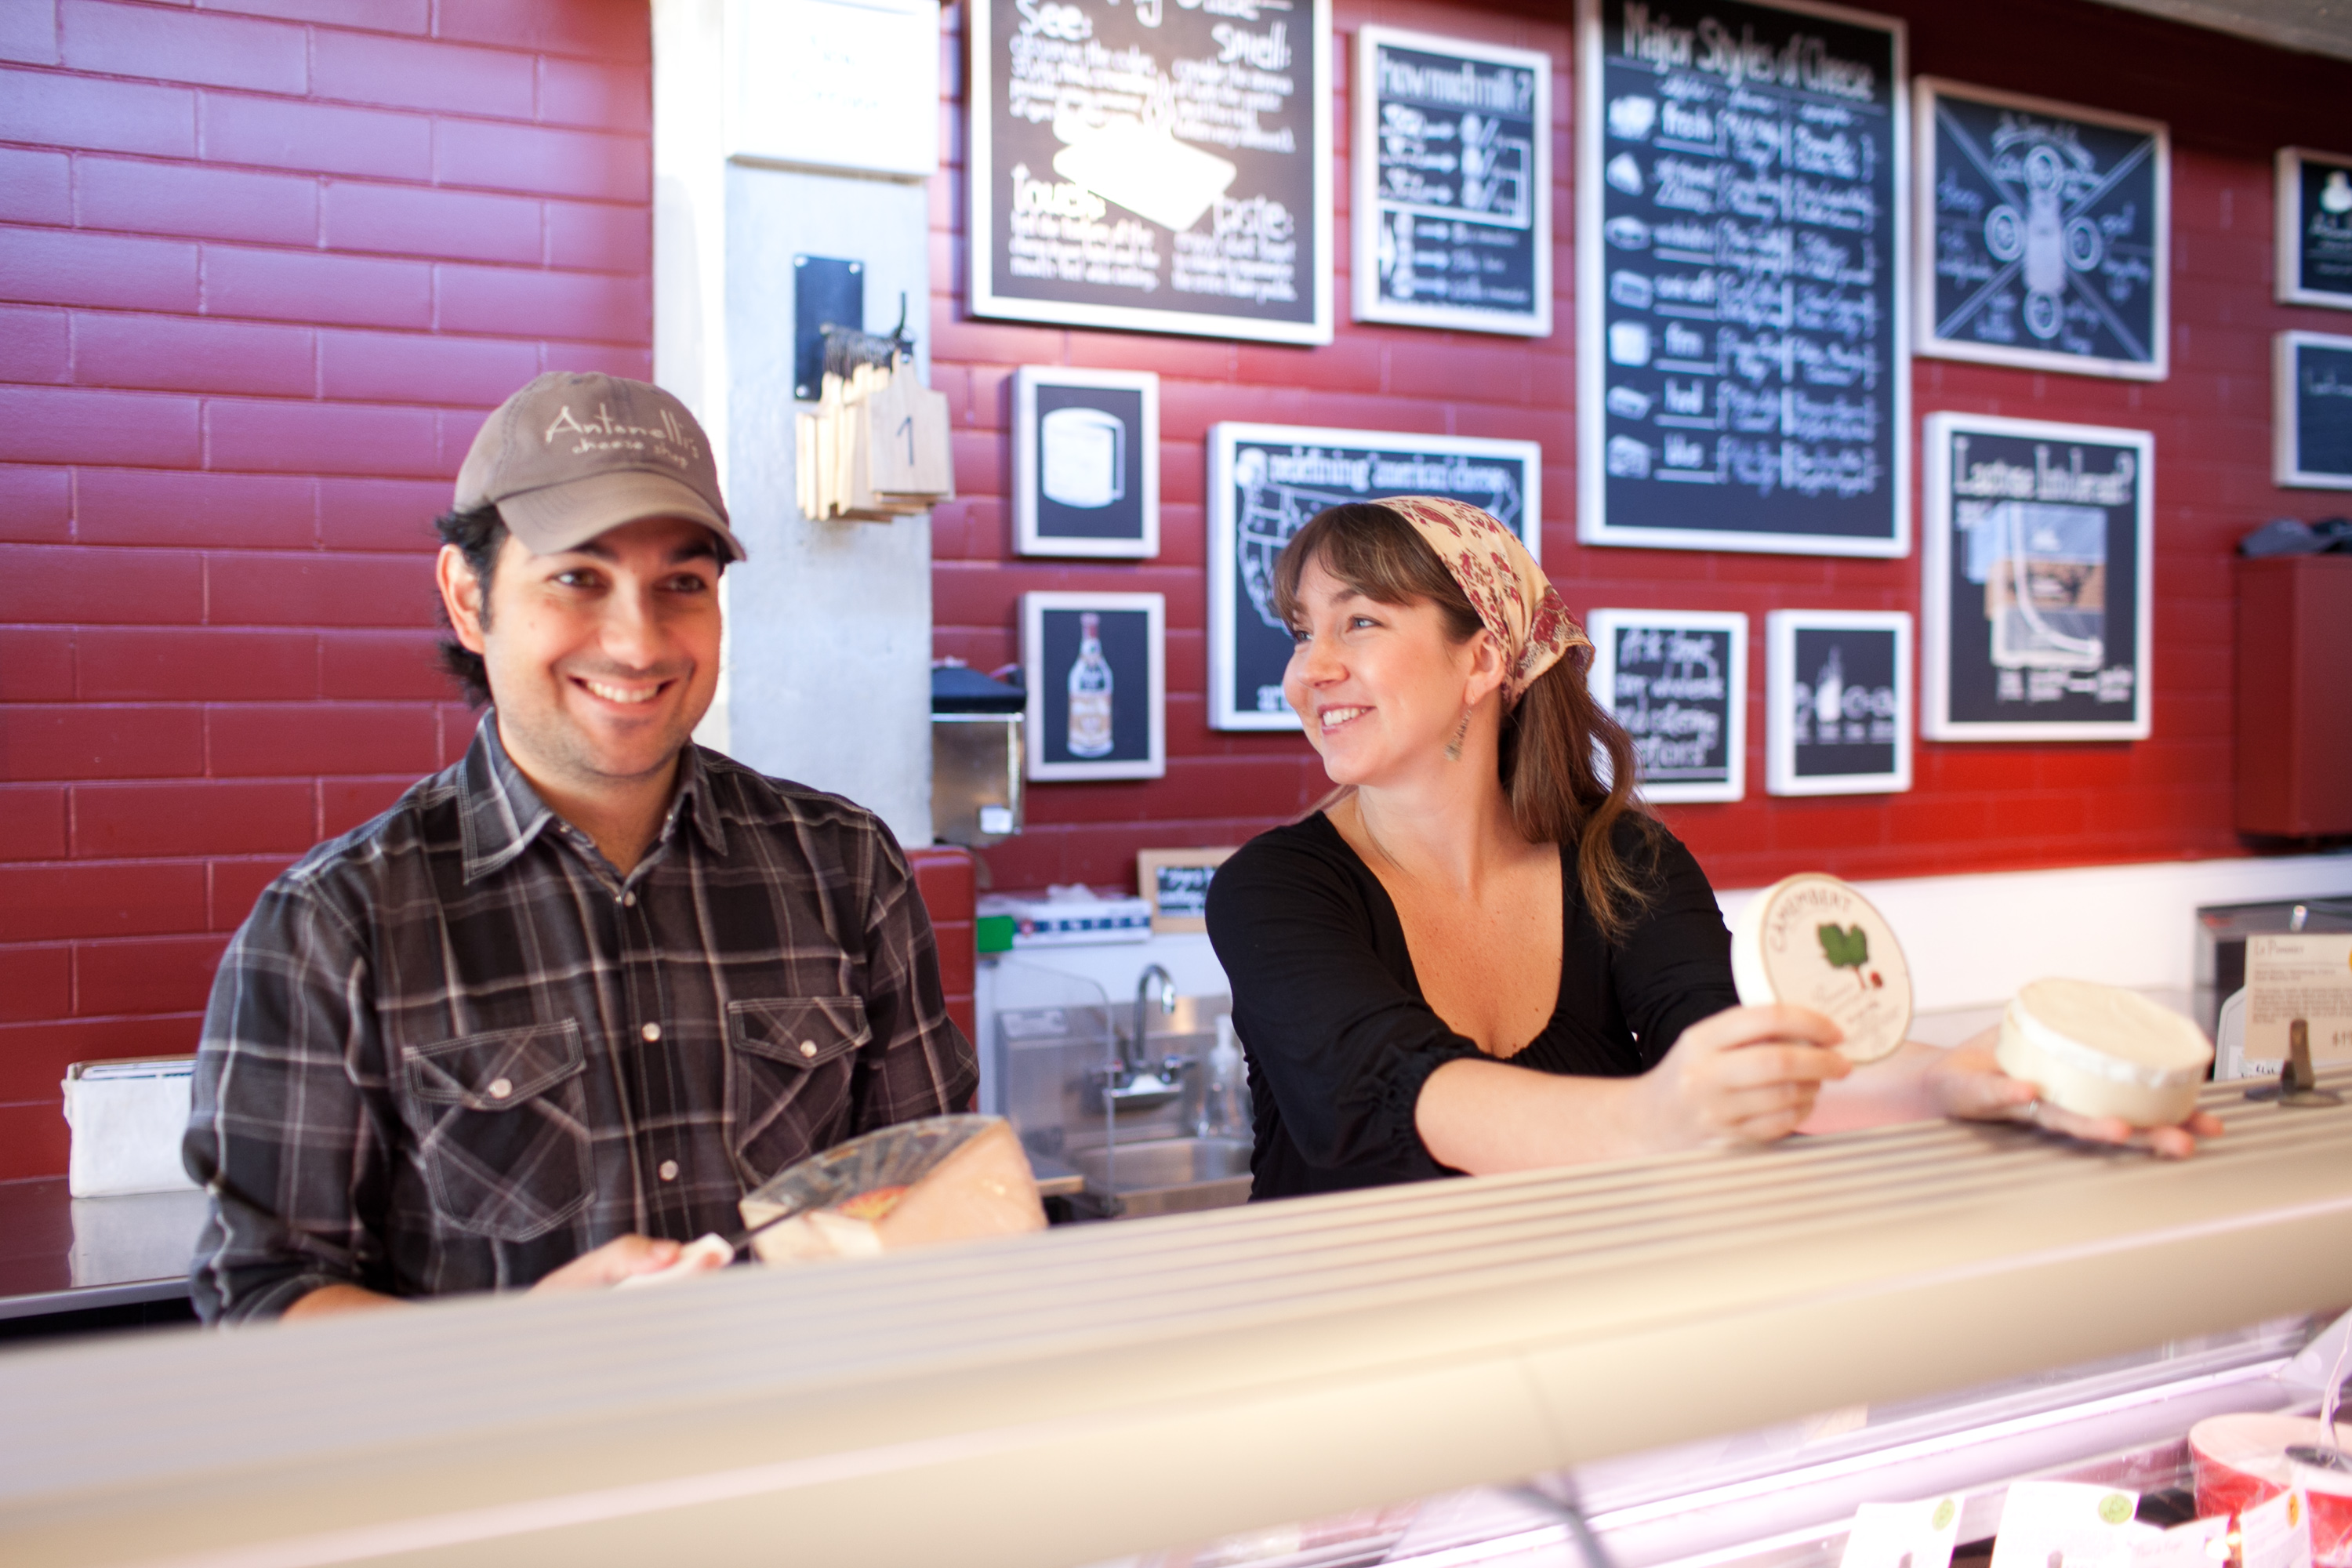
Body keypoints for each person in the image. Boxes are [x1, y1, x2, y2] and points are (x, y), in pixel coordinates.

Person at [186, 372, 977, 1322]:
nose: (638, 643)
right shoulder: (331, 924)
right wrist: (520, 1349)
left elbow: (930, 1201)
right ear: (467, 597)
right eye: (577, 577)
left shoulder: (846, 867)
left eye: (681, 584)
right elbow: (265, 1296)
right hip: (509, 1467)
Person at [1204, 498, 2219, 1200]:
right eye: (1302, 631)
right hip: (1348, 1379)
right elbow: (1403, 1093)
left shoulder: (1622, 862)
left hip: (1594, 1350)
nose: (1310, 670)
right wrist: (1656, 1120)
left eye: (1361, 622)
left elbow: (1727, 1053)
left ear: (1483, 659)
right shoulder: (1275, 892)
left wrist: (1952, 1084)